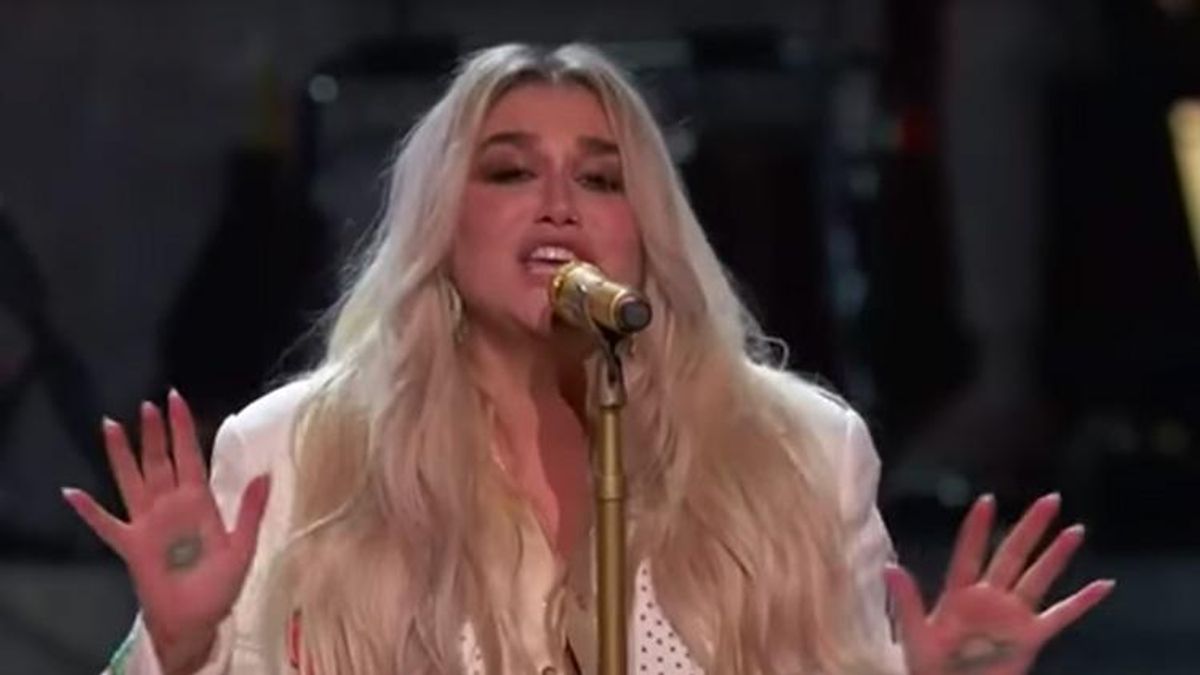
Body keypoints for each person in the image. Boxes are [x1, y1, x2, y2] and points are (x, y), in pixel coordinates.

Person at [63, 43, 1113, 675]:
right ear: (441, 225)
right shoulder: (296, 448)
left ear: (646, 234)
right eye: (510, 171)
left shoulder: (798, 451)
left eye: (603, 179)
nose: (559, 203)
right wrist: (177, 647)